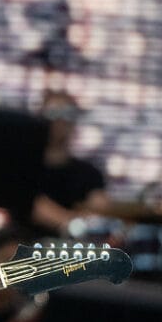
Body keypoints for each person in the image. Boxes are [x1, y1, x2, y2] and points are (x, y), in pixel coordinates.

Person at [29, 90, 111, 237]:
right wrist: (72, 222)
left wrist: (76, 223)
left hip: (74, 250)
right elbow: (30, 206)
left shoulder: (90, 174)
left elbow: (99, 212)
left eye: (68, 114)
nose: (60, 121)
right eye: (52, 113)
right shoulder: (22, 168)